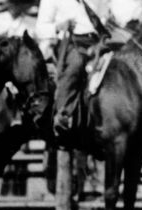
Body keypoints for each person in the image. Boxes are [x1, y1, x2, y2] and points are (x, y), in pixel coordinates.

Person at [37, 0, 111, 139]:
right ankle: (63, 113)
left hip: (98, 40)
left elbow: (104, 14)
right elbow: (40, 28)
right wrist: (58, 26)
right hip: (71, 42)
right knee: (74, 67)